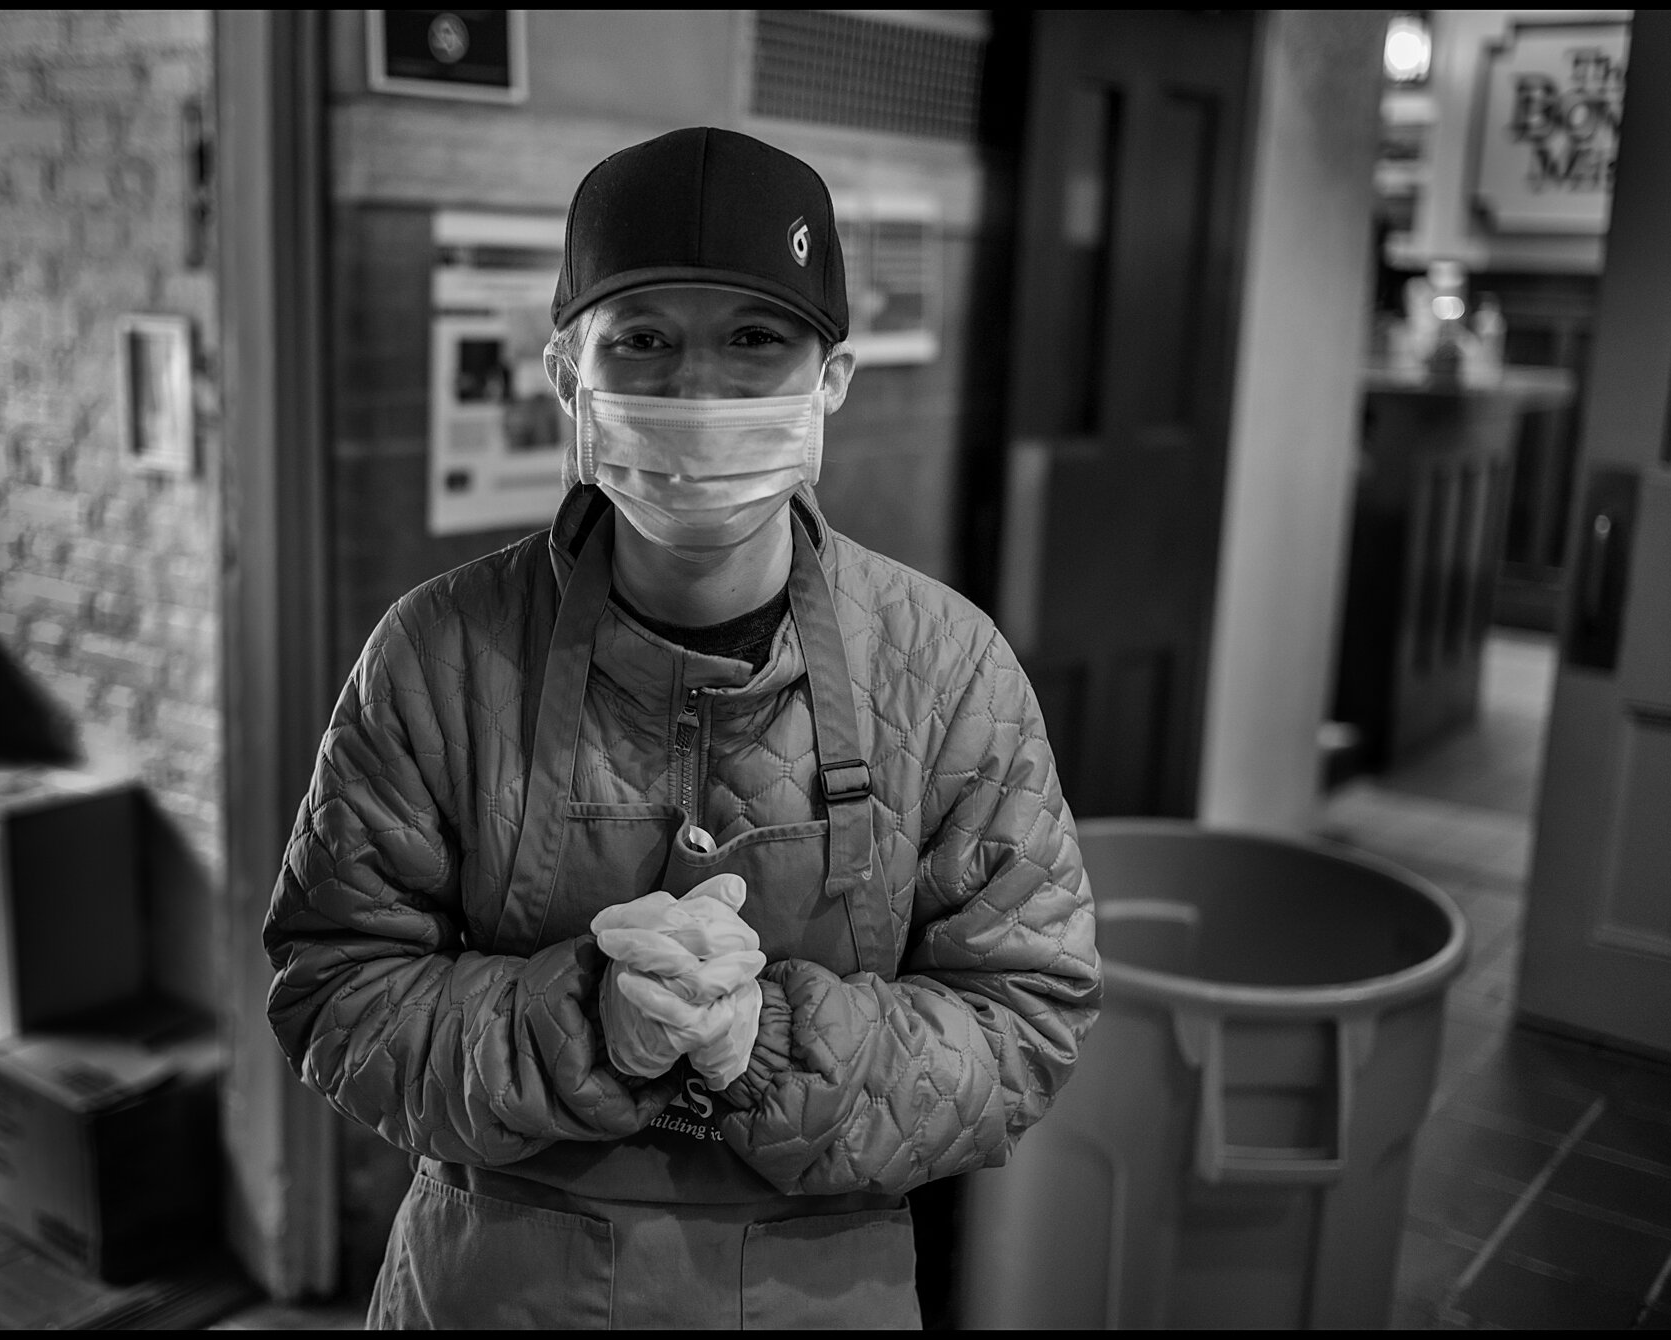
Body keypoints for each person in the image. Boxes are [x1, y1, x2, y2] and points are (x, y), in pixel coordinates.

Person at [263, 126, 1102, 1330]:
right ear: (567, 377)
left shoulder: (948, 668)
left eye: (754, 341)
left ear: (833, 381)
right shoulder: (436, 655)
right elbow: (334, 980)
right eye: (643, 341)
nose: (696, 394)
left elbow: (1026, 1012)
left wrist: (769, 1037)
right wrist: (580, 1019)